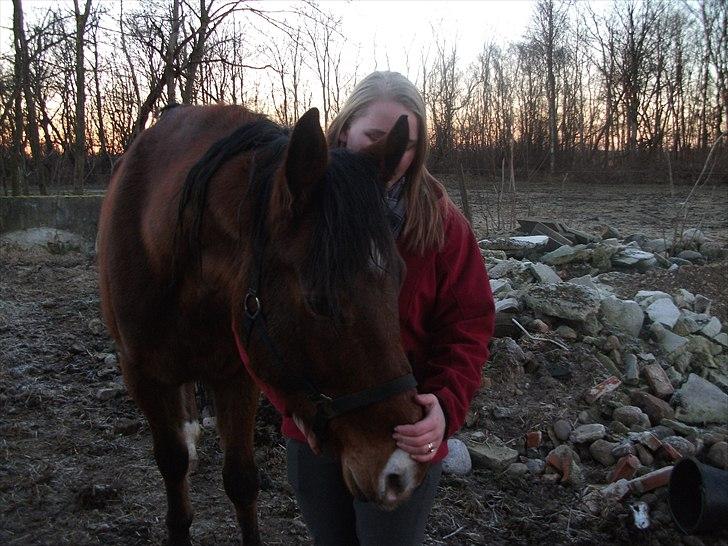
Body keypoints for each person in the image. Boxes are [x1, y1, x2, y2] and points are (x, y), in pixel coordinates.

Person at [283, 71, 496, 545]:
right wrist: (291, 404)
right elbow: (257, 315)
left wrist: (444, 406)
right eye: (376, 137)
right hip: (316, 432)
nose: (393, 155)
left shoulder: (440, 224)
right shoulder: (301, 214)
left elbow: (470, 326)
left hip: (402, 433)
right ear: (343, 131)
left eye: (407, 143)